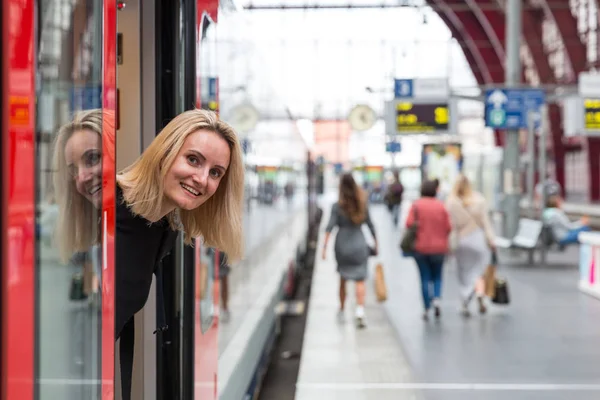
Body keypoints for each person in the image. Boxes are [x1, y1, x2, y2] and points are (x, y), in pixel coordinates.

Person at [115, 108, 244, 399]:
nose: (201, 179)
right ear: (165, 152)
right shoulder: (110, 210)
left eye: (215, 173)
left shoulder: (165, 228)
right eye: (193, 159)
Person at [322, 173, 378, 329]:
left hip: (342, 246)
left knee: (343, 278)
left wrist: (324, 249)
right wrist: (376, 244)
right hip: (359, 244)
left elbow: (329, 228)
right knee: (360, 279)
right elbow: (371, 226)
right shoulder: (362, 203)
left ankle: (341, 309)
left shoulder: (337, 205)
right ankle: (360, 312)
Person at [445, 175, 496, 317]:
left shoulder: (451, 202)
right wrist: (491, 240)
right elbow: (486, 222)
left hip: (461, 240)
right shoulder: (479, 200)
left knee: (463, 272)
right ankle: (480, 293)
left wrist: (448, 244)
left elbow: (450, 226)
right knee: (479, 270)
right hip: (478, 238)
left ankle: (465, 299)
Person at [405, 180, 451, 320]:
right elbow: (448, 227)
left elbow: (408, 224)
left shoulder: (416, 206)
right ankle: (436, 299)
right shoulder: (441, 206)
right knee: (437, 276)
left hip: (421, 247)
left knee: (424, 276)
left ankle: (426, 308)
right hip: (439, 248)